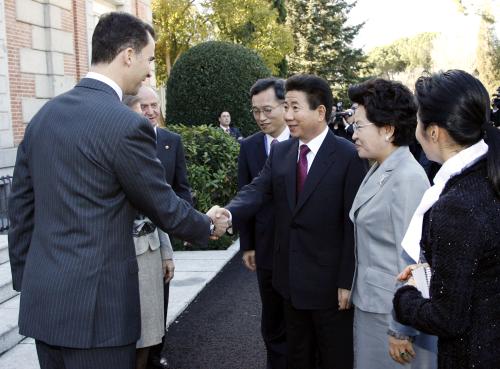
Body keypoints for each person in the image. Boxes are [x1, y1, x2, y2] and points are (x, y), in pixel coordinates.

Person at [8, 12, 227, 369]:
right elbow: (163, 205)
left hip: (43, 307)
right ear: (128, 54)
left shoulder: (44, 117)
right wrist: (207, 224)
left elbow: (21, 211)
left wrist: (28, 281)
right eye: (150, 59)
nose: (150, 71)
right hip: (99, 319)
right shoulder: (125, 125)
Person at [216, 74, 367, 369]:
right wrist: (229, 213)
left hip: (330, 289)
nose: (288, 116)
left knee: (334, 358)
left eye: (294, 108)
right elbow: (257, 189)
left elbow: (353, 224)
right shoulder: (283, 152)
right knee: (297, 357)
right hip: (290, 283)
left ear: (320, 111)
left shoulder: (348, 155)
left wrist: (347, 281)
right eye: (285, 107)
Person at [393, 69, 500, 369]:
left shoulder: (457, 205)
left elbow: (447, 318)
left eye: (417, 119)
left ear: (434, 132)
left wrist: (405, 295)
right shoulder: (486, 175)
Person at [347, 78, 437, 369]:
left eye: (360, 126)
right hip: (374, 305)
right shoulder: (381, 167)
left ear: (388, 130)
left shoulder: (407, 178)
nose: (353, 133)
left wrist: (402, 328)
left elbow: (416, 261)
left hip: (392, 316)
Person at [136, 84, 193, 369]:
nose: (150, 111)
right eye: (143, 106)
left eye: (154, 105)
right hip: (135, 240)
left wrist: (185, 223)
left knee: (161, 300)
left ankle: (156, 356)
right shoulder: (126, 141)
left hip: (161, 234)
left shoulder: (172, 141)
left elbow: (181, 189)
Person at [239, 77, 289, 369]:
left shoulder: (302, 143)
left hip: (300, 249)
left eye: (267, 110)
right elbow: (245, 194)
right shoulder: (249, 147)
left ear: (285, 106)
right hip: (265, 247)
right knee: (271, 321)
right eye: (256, 111)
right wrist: (248, 245)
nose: (261, 118)